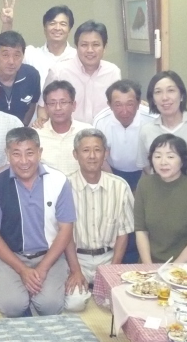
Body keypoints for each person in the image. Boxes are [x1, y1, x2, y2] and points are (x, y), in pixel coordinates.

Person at [0, 127, 76, 317]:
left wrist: (43, 268)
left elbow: (66, 229)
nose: (24, 161)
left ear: (40, 152)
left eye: (30, 153)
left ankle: (35, 293)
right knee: (12, 306)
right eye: (16, 154)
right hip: (11, 257)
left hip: (49, 256)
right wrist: (22, 270)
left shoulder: (59, 181)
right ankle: (25, 292)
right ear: (7, 154)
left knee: (50, 306)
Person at [63, 129, 134, 312]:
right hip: (76, 259)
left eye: (97, 150)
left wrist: (112, 271)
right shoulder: (65, 186)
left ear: (106, 153)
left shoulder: (120, 186)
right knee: (75, 304)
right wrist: (75, 270)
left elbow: (123, 233)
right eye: (86, 150)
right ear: (75, 154)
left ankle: (99, 289)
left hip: (108, 258)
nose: (92, 156)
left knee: (119, 306)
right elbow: (65, 234)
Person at [135, 134, 187, 263]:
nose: (163, 162)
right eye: (157, 156)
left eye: (170, 156)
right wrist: (148, 266)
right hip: (150, 263)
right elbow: (141, 231)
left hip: (186, 265)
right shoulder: (144, 185)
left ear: (183, 160)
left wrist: (172, 269)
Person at [40, 20, 121, 124]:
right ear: (76, 47)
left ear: (104, 48)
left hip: (103, 132)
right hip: (68, 132)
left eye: (96, 45)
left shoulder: (113, 72)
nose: (90, 50)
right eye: (84, 45)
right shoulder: (58, 72)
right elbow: (43, 106)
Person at [0, 0, 77, 94]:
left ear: (69, 29)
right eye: (52, 23)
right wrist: (7, 24)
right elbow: (6, 49)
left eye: (63, 24)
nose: (57, 28)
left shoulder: (78, 57)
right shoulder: (31, 54)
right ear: (45, 29)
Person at [93, 79, 154, 191]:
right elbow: (100, 157)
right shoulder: (100, 121)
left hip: (145, 171)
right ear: (109, 105)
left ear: (138, 103)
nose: (124, 111)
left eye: (130, 104)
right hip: (111, 171)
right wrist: (114, 183)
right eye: (118, 105)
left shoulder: (152, 119)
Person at [35, 80, 92, 176]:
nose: (58, 108)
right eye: (52, 103)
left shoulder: (88, 132)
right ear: (46, 108)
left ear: (73, 105)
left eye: (63, 102)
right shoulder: (36, 135)